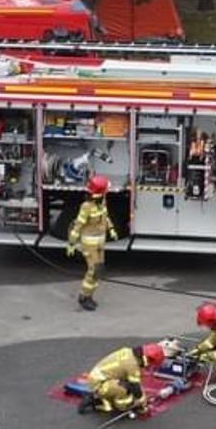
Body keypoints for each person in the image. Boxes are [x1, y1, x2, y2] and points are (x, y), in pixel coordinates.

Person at [67, 174, 117, 311]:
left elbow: (105, 218)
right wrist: (72, 243)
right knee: (93, 271)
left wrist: (111, 229)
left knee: (99, 270)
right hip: (89, 244)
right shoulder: (86, 207)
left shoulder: (102, 204)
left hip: (101, 242)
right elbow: (78, 225)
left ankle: (89, 295)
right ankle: (84, 296)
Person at [80, 341, 168, 415]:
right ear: (146, 359)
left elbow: (135, 381)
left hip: (102, 378)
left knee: (131, 385)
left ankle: (105, 397)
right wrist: (140, 402)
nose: (149, 367)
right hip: (99, 384)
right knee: (124, 390)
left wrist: (141, 396)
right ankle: (118, 407)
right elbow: (135, 386)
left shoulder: (130, 354)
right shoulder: (132, 365)